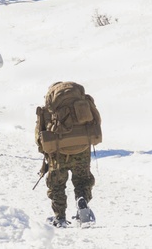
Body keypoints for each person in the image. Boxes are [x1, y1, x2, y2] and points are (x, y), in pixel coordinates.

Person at [35, 81, 102, 227]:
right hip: (82, 149)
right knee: (83, 180)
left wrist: (45, 153)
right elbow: (96, 122)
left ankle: (59, 218)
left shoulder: (47, 110)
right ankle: (82, 201)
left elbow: (39, 137)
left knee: (57, 185)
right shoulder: (83, 103)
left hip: (58, 153)